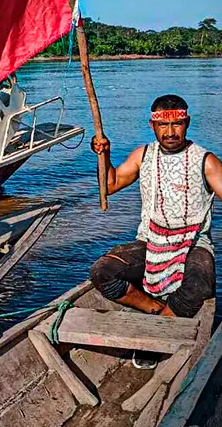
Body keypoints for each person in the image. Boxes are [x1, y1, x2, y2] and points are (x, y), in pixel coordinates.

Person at [89, 94, 221, 319]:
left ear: (186, 123)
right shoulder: (143, 155)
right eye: (163, 125)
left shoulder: (205, 160)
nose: (170, 132)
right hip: (150, 241)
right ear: (153, 126)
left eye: (176, 124)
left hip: (193, 244)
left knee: (200, 284)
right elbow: (109, 185)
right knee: (102, 272)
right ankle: (155, 308)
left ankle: (164, 321)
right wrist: (104, 154)